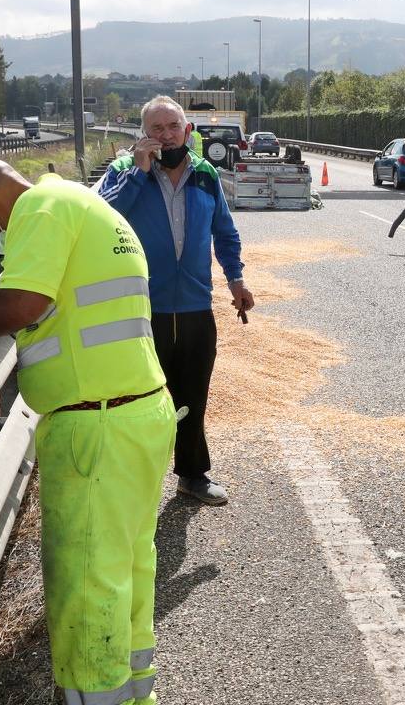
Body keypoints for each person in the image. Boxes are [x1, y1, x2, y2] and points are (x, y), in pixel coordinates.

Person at [0, 157, 174, 705]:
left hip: (93, 426)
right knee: (127, 568)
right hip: (138, 413)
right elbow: (59, 304)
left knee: (86, 582)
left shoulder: (39, 209)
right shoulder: (82, 204)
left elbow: (22, 304)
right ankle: (134, 695)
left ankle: (94, 696)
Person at [98, 96, 254, 506]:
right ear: (143, 136)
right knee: (139, 399)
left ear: (187, 132)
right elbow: (101, 218)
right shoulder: (123, 171)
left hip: (194, 307)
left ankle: (193, 474)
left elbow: (225, 231)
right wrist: (139, 171)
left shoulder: (205, 176)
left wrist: (235, 280)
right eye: (156, 130)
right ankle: (134, 481)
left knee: (192, 394)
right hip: (139, 308)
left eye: (173, 128)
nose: (166, 137)